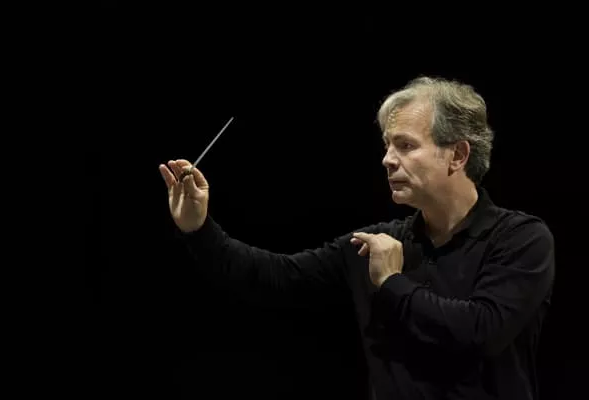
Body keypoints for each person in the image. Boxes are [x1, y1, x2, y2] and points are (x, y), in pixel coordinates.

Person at [158, 76, 555, 400]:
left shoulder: (520, 239)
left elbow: (480, 332)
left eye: (405, 145)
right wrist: (198, 228)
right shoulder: (376, 242)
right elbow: (273, 277)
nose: (387, 159)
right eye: (387, 145)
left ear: (458, 155)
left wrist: (392, 283)